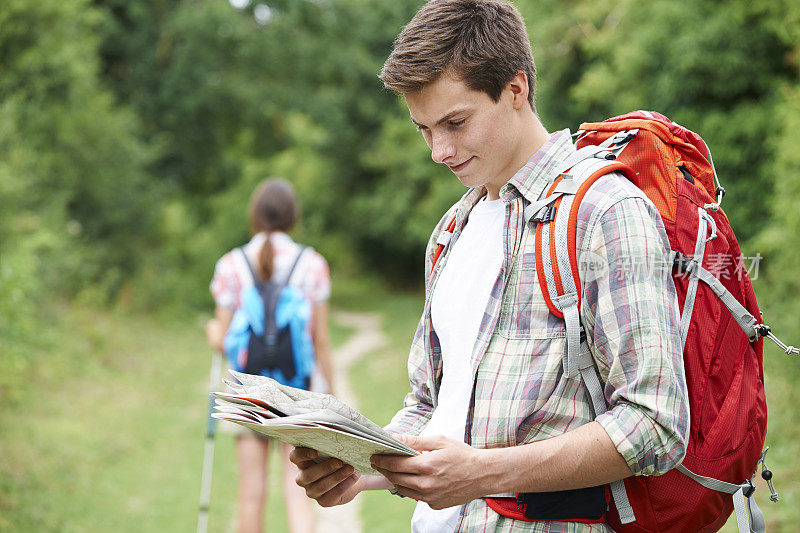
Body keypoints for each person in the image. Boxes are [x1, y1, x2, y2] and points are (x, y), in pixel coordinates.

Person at [290, 1, 688, 531]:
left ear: (516, 89)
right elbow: (431, 402)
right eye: (424, 129)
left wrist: (483, 473)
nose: (439, 150)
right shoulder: (452, 231)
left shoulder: (606, 213)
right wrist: (364, 467)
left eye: (455, 122)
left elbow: (657, 423)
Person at [206, 178, 332, 533]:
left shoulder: (231, 264)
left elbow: (223, 339)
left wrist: (211, 332)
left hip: (247, 393)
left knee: (250, 494)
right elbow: (319, 339)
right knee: (299, 494)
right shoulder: (312, 264)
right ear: (293, 217)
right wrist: (331, 395)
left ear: (254, 215)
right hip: (298, 392)